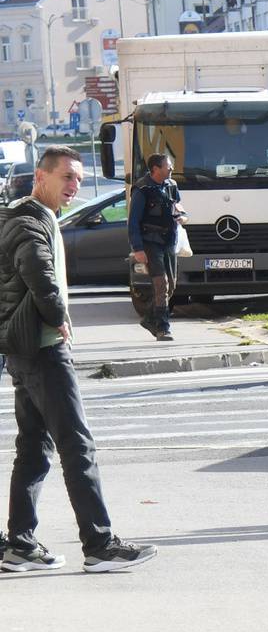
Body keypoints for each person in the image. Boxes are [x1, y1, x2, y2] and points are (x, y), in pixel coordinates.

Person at [0, 147, 156, 574]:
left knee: (35, 447)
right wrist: (58, 316)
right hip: (44, 347)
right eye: (67, 177)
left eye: (78, 179)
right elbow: (37, 268)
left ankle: (20, 544)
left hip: (27, 347)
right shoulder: (28, 220)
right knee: (77, 445)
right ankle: (99, 544)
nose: (74, 186)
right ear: (41, 176)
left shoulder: (27, 217)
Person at [127, 153, 186, 341]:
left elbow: (178, 205)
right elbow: (133, 222)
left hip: (169, 240)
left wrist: (183, 216)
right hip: (150, 242)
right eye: (167, 166)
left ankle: (150, 319)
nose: (171, 169)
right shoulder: (142, 189)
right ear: (155, 169)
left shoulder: (172, 185)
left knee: (172, 285)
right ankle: (163, 327)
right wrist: (138, 249)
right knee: (161, 285)